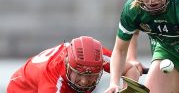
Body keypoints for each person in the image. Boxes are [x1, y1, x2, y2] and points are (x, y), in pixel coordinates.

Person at [7, 36, 141, 93]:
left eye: (91, 75)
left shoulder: (98, 55)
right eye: (79, 74)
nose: (84, 82)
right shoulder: (52, 80)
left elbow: (131, 69)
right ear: (67, 65)